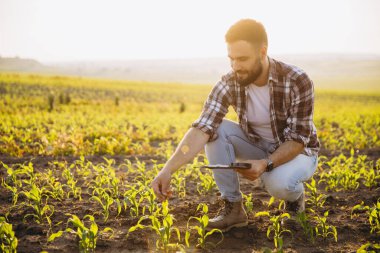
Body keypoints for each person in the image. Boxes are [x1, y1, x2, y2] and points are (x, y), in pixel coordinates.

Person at [151, 19, 320, 232]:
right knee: (215, 129)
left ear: (262, 51)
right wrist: (167, 170)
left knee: (280, 184)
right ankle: (234, 208)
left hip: (298, 152)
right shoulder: (229, 82)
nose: (235, 66)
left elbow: (297, 140)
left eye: (242, 59)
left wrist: (266, 163)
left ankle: (295, 201)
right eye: (231, 59)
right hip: (258, 145)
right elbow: (201, 128)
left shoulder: (297, 80)